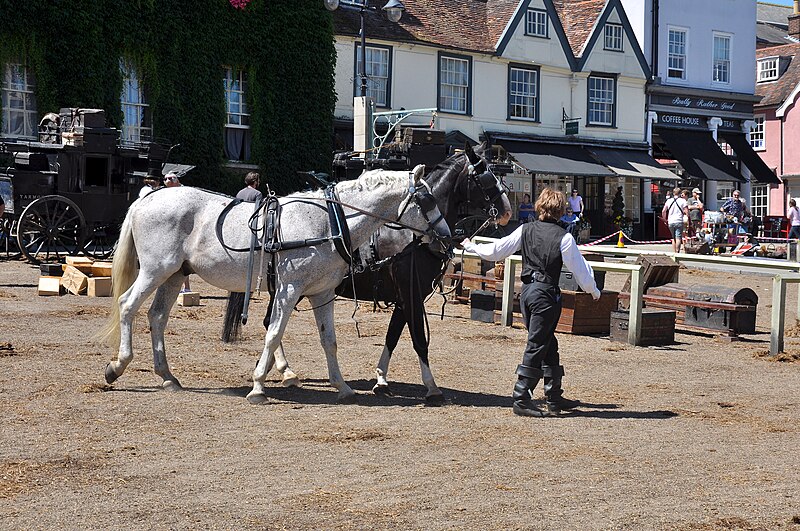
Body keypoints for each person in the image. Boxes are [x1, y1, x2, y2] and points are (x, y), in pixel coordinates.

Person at [462, 188, 601, 418]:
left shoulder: (525, 229)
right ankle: (521, 396)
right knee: (537, 344)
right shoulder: (564, 237)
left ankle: (554, 396)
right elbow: (580, 270)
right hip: (545, 296)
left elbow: (497, 250)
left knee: (548, 343)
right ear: (560, 211)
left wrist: (471, 247)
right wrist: (594, 291)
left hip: (527, 294)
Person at [163, 172, 191, 292]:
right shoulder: (165, 193)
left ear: (177, 180)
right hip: (170, 230)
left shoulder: (183, 191)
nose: (168, 181)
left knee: (183, 261)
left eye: (171, 179)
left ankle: (187, 287)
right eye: (166, 179)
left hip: (184, 230)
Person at [662, 186, 689, 253]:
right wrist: (687, 219)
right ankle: (677, 252)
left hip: (670, 221)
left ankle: (674, 252)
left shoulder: (669, 201)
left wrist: (664, 219)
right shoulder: (683, 201)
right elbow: (686, 211)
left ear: (673, 193)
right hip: (679, 220)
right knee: (678, 237)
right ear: (680, 193)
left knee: (673, 238)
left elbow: (663, 211)